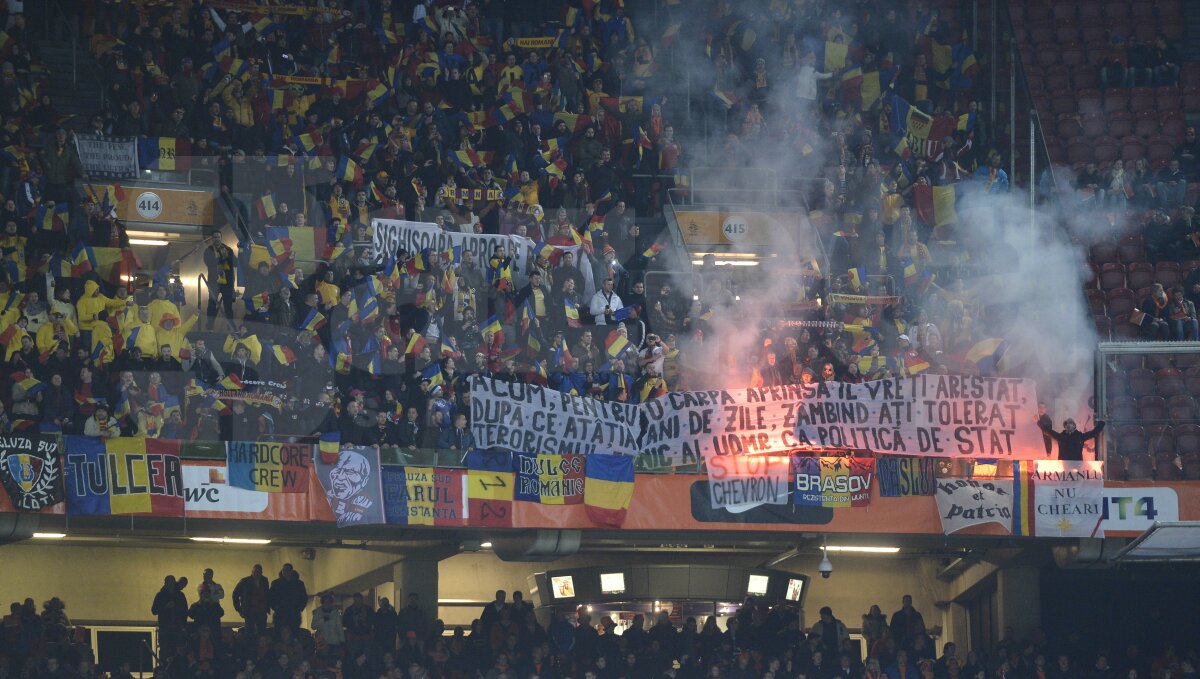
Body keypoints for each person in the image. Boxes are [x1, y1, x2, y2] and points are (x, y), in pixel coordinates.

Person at [1040, 417, 1107, 461]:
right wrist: (1038, 421)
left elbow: (1094, 432)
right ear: (1064, 426)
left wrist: (1102, 422)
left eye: (1071, 423)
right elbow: (1047, 431)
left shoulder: (1080, 436)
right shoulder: (1061, 437)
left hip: (1077, 466)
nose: (1068, 425)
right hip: (1064, 467)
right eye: (1066, 424)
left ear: (1074, 425)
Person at [269, 563, 308, 633]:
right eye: (284, 570)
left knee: (294, 632)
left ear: (291, 571)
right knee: (279, 632)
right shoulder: (276, 583)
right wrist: (275, 607)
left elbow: (304, 597)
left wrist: (299, 608)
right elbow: (270, 597)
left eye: (287, 570)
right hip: (280, 613)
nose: (285, 572)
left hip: (294, 613)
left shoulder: (299, 584)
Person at [232, 564, 270, 636]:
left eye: (259, 572)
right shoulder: (244, 581)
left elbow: (267, 595)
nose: (257, 573)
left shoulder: (264, 581)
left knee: (262, 632)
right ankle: (250, 646)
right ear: (252, 572)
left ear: (261, 573)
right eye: (255, 571)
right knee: (250, 632)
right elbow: (235, 595)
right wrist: (239, 609)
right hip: (249, 611)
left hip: (261, 611)